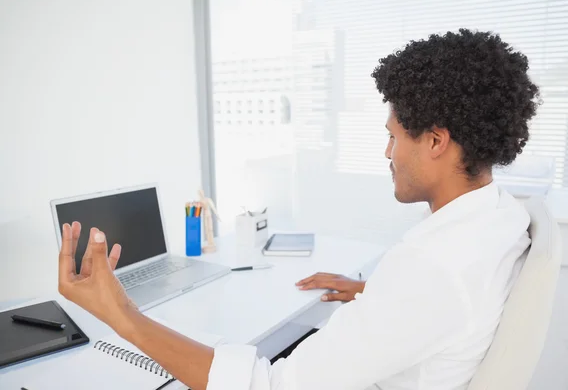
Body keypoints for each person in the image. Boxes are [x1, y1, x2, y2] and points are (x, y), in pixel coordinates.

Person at [57, 28, 540, 390]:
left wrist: (122, 314)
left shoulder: (431, 268)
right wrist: (376, 293)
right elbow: (452, 301)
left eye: (393, 136)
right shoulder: (500, 216)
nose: (388, 154)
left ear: (436, 141)